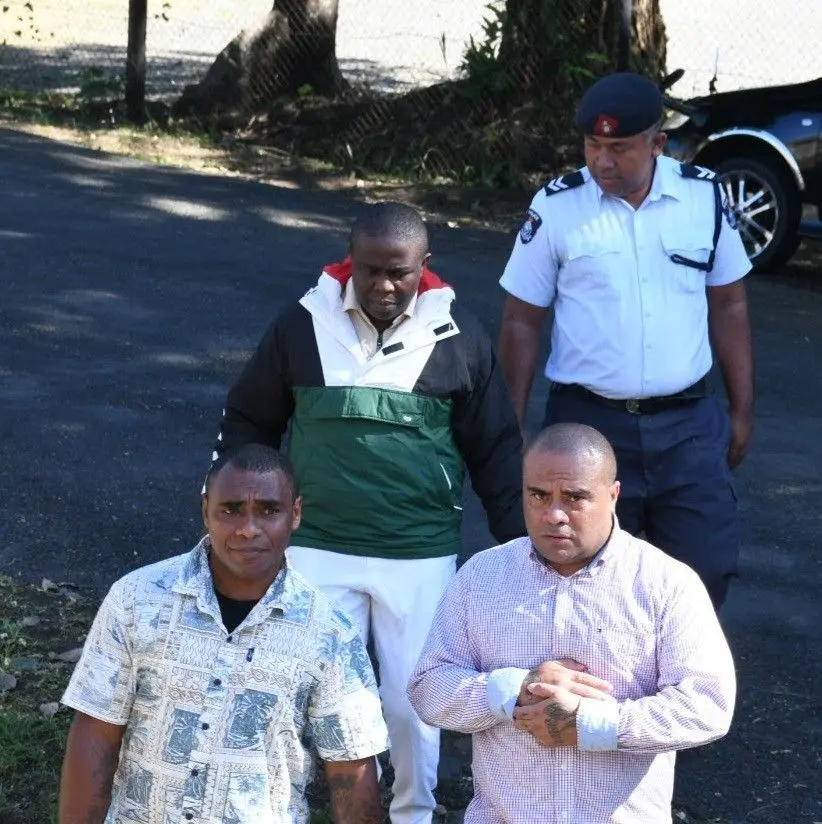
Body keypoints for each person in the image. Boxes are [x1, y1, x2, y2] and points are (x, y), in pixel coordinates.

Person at [212, 201, 525, 824]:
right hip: (317, 546)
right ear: (349, 261)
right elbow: (250, 420)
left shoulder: (459, 338)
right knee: (315, 695)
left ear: (424, 266)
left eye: (398, 272)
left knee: (412, 703)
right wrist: (232, 511)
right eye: (371, 270)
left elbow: (497, 450)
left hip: (418, 553)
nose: (383, 285)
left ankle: (411, 813)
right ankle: (296, 809)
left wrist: (522, 546)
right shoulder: (302, 325)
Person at [496, 71, 754, 610]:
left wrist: (742, 409)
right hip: (589, 422)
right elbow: (521, 320)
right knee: (582, 579)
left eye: (619, 148)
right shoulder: (558, 207)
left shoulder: (703, 197)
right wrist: (511, 425)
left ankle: (676, 669)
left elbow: (729, 304)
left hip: (687, 425)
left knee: (705, 569)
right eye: (593, 145)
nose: (602, 161)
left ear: (658, 144)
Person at [409, 423, 737, 824]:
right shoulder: (482, 577)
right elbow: (428, 688)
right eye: (538, 495)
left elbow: (707, 705)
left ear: (613, 496)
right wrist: (514, 690)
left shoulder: (665, 583)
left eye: (575, 497)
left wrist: (591, 724)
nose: (554, 515)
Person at [59, 444, 389, 824]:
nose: (248, 528)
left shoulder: (330, 633)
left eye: (269, 510)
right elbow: (96, 733)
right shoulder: (136, 599)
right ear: (206, 511)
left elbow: (351, 770)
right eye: (231, 510)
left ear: (295, 513)